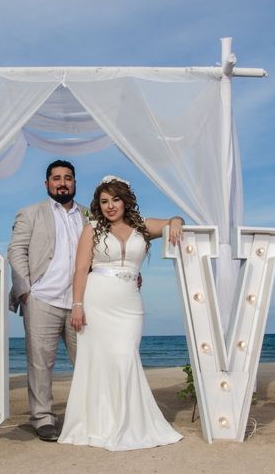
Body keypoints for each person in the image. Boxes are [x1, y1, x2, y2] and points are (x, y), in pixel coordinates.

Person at [58, 175, 184, 451]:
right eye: (104, 201)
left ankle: (127, 423)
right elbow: (80, 269)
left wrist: (175, 222)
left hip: (130, 305)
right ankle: (101, 424)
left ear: (125, 201)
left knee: (125, 357)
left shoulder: (142, 226)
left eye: (115, 199)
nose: (110, 206)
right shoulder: (92, 228)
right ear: (98, 205)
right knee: (101, 362)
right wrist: (77, 306)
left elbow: (173, 220)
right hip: (97, 300)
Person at [8, 160, 88, 442]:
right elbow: (16, 251)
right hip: (42, 299)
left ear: (75, 182)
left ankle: (88, 413)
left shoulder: (90, 216)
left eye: (68, 177)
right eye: (56, 178)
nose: (62, 182)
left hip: (81, 301)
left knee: (89, 360)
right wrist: (26, 292)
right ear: (47, 184)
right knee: (40, 364)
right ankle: (43, 418)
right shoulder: (31, 213)